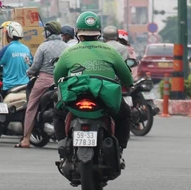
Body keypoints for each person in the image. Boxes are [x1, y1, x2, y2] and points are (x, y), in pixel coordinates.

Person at [52, 11, 133, 162]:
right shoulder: (111, 51)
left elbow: (57, 77)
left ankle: (62, 143)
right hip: (104, 99)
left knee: (57, 112)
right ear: (98, 33)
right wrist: (127, 84)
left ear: (77, 33)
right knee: (125, 114)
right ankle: (120, 149)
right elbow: (127, 78)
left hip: (75, 97)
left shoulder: (69, 52)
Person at [17, 19, 70, 148]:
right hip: (63, 81)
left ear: (48, 32)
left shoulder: (43, 46)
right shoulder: (67, 47)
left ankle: (26, 139)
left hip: (44, 80)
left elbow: (35, 66)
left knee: (31, 106)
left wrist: (30, 72)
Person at [0, 22, 32, 92]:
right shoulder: (26, 49)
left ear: (9, 33)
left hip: (9, 86)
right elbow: (31, 64)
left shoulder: (7, 49)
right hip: (25, 85)